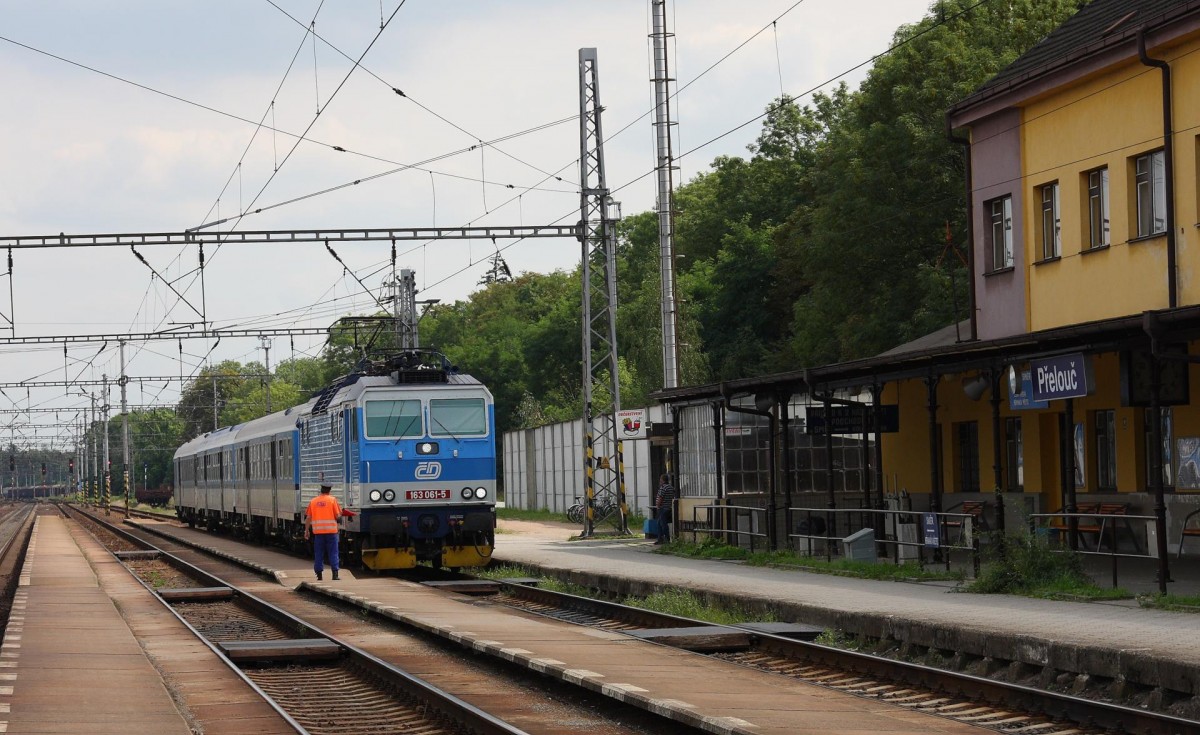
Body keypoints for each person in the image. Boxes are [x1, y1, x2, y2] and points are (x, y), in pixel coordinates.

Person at [304, 484, 342, 580]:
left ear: (321, 490)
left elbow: (308, 517)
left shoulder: (313, 501)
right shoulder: (332, 500)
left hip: (318, 533)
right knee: (333, 552)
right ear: (329, 491)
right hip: (331, 532)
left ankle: (319, 575)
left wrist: (306, 530)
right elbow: (338, 516)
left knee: (319, 553)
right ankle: (335, 574)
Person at [654, 473, 677, 545]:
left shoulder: (663, 487)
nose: (660, 481)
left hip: (663, 508)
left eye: (660, 479)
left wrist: (657, 506)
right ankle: (660, 538)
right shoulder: (671, 487)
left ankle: (666, 539)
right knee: (659, 523)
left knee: (663, 524)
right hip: (669, 508)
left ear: (663, 480)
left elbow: (660, 497)